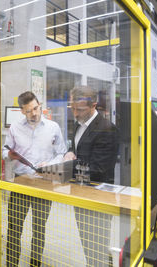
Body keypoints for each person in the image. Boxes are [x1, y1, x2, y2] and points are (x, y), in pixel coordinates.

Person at [3, 91, 67, 267]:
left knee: (39, 228)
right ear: (22, 111)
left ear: (40, 105)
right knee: (14, 227)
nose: (35, 113)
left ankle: (35, 263)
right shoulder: (15, 128)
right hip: (21, 182)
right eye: (29, 110)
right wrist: (8, 154)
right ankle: (11, 264)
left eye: (36, 108)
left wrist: (50, 163)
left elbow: (62, 153)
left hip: (44, 183)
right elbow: (4, 150)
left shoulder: (53, 127)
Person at [64, 85, 119, 266]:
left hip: (98, 198)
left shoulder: (106, 129)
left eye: (79, 109)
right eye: (72, 108)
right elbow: (77, 148)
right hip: (81, 193)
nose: (75, 113)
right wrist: (70, 153)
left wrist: (65, 166)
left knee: (98, 245)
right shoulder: (78, 124)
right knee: (87, 244)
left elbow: (99, 170)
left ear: (93, 105)